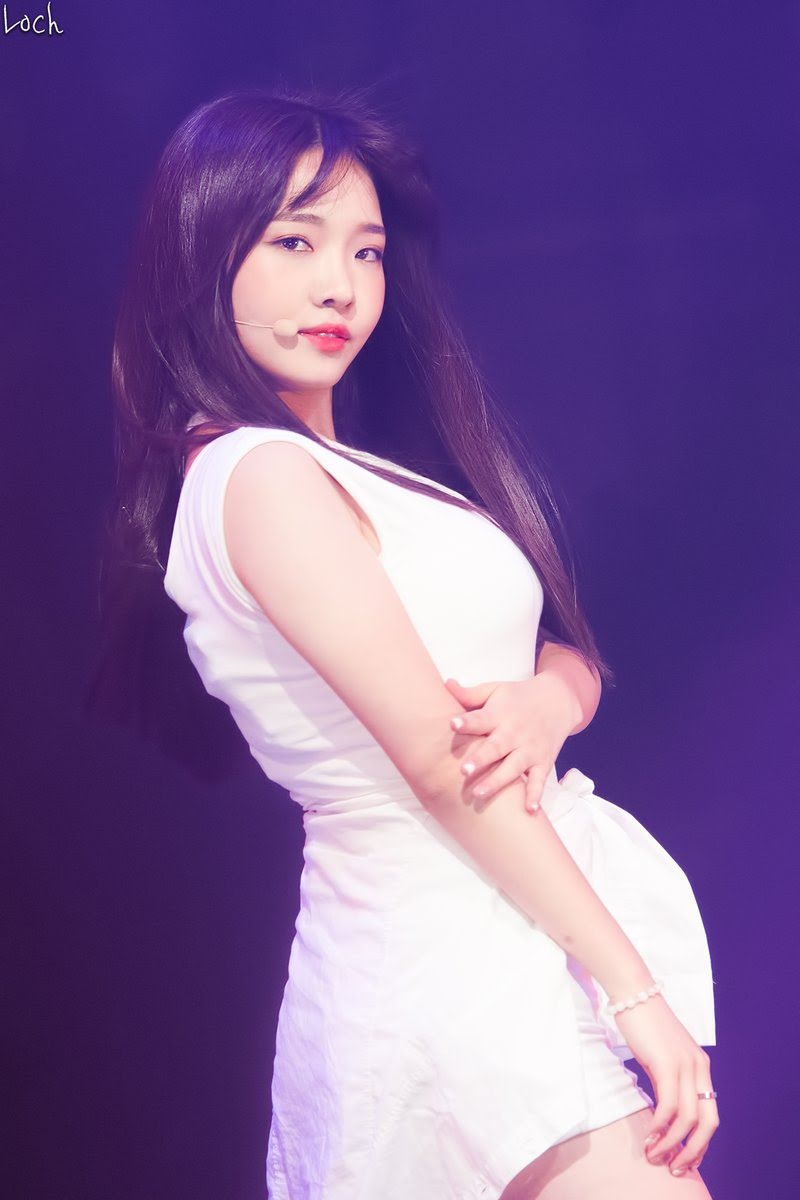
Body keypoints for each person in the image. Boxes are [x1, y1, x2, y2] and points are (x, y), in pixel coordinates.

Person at [86, 85, 719, 1199]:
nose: (341, 284)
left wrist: (547, 703)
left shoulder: (350, 470)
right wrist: (633, 990)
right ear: (203, 251)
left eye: (366, 250)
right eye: (294, 241)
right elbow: (439, 763)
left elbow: (560, 652)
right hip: (445, 954)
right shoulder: (257, 475)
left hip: (499, 930)